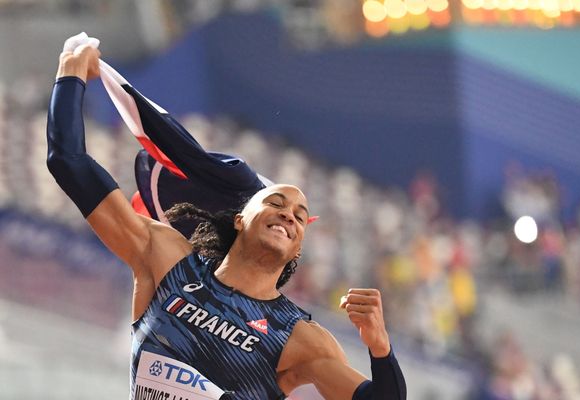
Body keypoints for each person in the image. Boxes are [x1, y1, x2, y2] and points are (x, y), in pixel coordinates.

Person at [46, 38, 406, 400]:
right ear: (239, 218)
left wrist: (379, 346)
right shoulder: (165, 261)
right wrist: (70, 70)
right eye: (276, 202)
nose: (288, 215)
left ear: (297, 250)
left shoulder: (301, 340)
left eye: (299, 216)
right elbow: (68, 162)